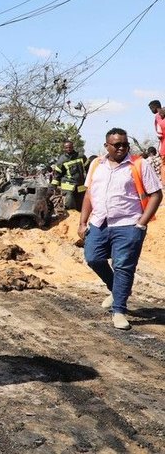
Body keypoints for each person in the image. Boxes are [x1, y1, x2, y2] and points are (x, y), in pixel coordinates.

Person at [78, 128, 162, 330]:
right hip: (99, 223)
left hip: (128, 224)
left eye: (125, 144)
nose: (122, 148)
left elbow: (156, 195)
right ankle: (116, 289)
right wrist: (82, 222)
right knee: (93, 258)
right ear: (107, 145)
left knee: (123, 266)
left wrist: (141, 223)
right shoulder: (96, 164)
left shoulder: (139, 164)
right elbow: (89, 195)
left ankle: (119, 310)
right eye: (117, 145)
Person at [51, 140, 87, 211]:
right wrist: (53, 186)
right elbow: (57, 174)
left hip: (80, 185)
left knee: (82, 205)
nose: (68, 149)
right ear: (64, 149)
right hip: (68, 186)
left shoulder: (81, 156)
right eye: (66, 148)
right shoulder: (62, 160)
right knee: (70, 204)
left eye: (70, 147)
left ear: (73, 147)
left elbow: (88, 168)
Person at [150, 100, 165, 183]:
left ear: (154, 107)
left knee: (164, 165)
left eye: (151, 108)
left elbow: (159, 134)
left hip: (164, 146)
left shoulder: (157, 117)